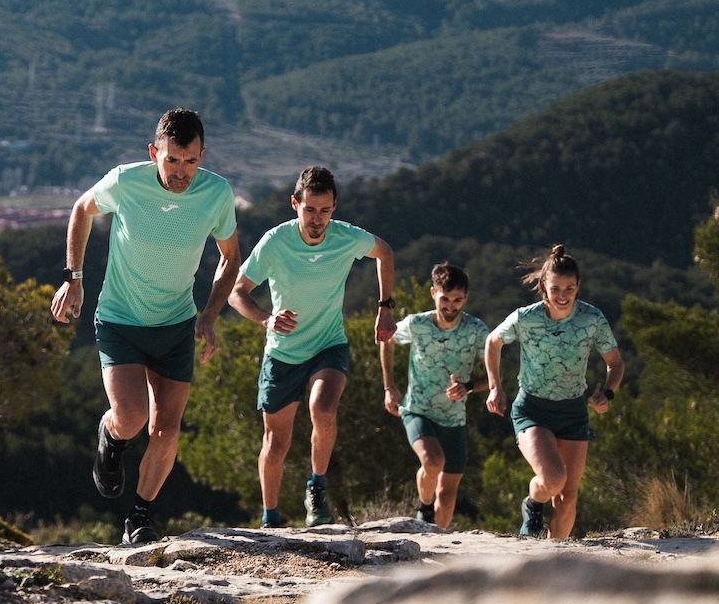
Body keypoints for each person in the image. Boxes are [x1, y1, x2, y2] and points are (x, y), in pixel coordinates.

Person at [51, 109, 240, 545]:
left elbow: (230, 256)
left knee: (165, 429)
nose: (181, 172)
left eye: (190, 161)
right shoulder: (125, 181)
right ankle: (111, 433)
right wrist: (73, 279)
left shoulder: (216, 193)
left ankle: (140, 516)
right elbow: (82, 209)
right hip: (120, 318)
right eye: (172, 160)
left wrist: (209, 316)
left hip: (176, 323)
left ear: (202, 155)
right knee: (132, 417)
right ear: (154, 152)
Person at [227, 166, 394, 528]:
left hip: (329, 344)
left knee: (323, 407)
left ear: (334, 207)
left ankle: (316, 487)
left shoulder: (347, 237)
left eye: (325, 210)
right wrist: (266, 319)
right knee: (277, 441)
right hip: (283, 353)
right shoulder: (275, 242)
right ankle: (271, 515)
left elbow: (384, 253)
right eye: (310, 210)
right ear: (295, 204)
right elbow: (237, 294)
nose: (318, 219)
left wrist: (385, 309)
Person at [484, 244, 624, 539]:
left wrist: (607, 392)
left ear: (578, 287)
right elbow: (493, 342)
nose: (563, 295)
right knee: (552, 478)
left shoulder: (592, 319)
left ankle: (552, 557)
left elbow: (615, 363)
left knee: (568, 498)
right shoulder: (526, 318)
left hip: (573, 413)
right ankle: (532, 503)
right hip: (532, 409)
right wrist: (495, 387)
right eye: (556, 288)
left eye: (569, 288)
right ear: (543, 288)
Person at [379, 262, 488, 528]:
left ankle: (437, 540)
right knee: (432, 460)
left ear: (466, 299)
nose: (451, 306)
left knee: (448, 492)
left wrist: (469, 386)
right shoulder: (418, 324)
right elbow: (386, 339)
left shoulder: (476, 330)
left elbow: (493, 376)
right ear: (433, 294)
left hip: (453, 418)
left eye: (458, 300)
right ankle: (424, 508)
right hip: (418, 410)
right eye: (445, 299)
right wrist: (389, 387)